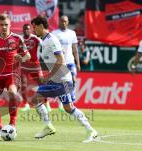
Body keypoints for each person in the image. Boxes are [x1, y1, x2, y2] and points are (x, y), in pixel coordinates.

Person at [31, 15, 98, 143]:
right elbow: (51, 61)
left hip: (62, 79)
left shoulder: (51, 40)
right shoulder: (45, 41)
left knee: (69, 108)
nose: (34, 30)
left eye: (35, 28)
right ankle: (48, 126)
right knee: (36, 98)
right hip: (54, 79)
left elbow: (61, 60)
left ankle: (91, 130)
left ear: (40, 26)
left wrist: (48, 76)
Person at [0, 14, 31, 134]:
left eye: (6, 25)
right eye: (2, 25)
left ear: (10, 24)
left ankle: (12, 124)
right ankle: (0, 129)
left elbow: (27, 56)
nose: (4, 27)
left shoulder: (17, 39)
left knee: (12, 92)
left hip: (12, 74)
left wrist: (21, 59)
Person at [52, 15, 81, 112]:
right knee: (62, 83)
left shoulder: (72, 33)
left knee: (73, 80)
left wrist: (78, 63)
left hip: (70, 61)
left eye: (65, 21)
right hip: (61, 62)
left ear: (68, 22)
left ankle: (71, 100)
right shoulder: (54, 33)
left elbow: (75, 49)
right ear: (59, 22)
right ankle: (61, 104)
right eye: (61, 21)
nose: (63, 23)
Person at [20, 24, 51, 112]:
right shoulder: (20, 39)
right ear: (23, 30)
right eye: (25, 29)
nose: (27, 30)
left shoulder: (35, 38)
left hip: (35, 65)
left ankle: (46, 103)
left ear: (30, 30)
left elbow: (45, 44)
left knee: (42, 84)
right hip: (24, 66)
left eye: (28, 29)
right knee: (23, 85)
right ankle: (26, 104)